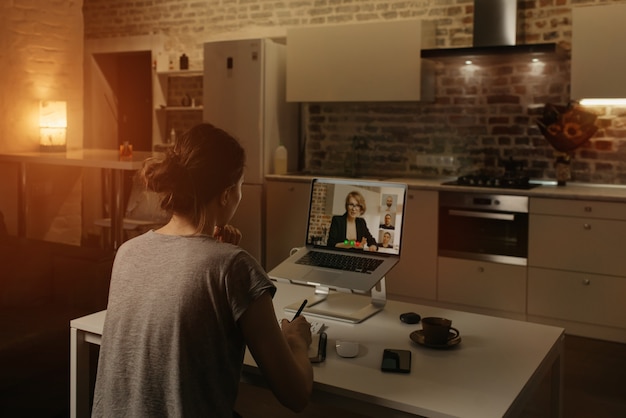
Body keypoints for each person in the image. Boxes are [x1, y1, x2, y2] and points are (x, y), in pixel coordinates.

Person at [92, 123, 313, 417]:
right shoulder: (233, 267)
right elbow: (295, 394)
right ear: (225, 194)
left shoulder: (128, 252)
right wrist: (296, 339)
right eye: (239, 187)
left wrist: (216, 249)